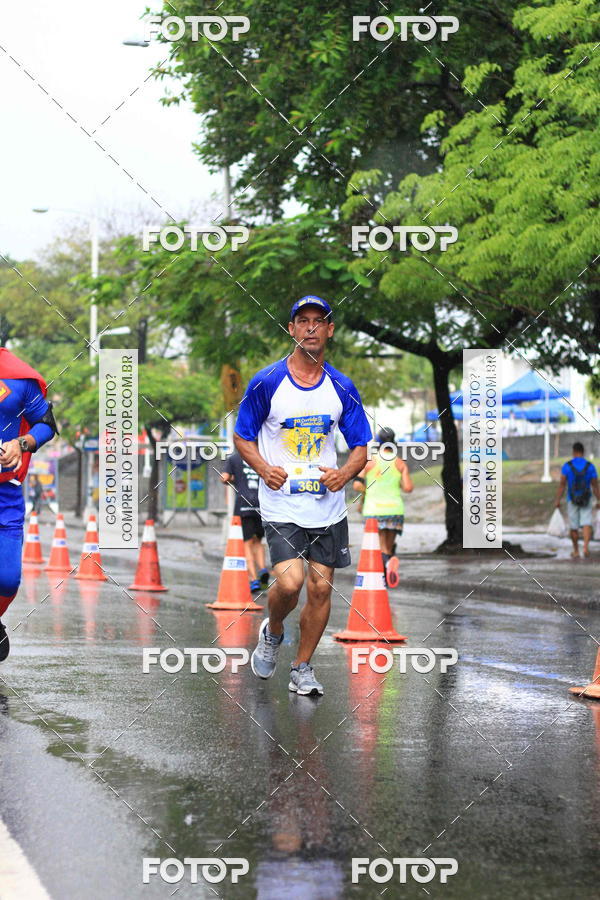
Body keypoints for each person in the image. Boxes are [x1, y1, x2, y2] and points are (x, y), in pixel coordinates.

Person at [234, 295, 371, 696]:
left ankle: (302, 667)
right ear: (291, 329)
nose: (311, 327)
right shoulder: (267, 382)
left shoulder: (341, 387)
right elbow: (243, 436)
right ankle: (273, 630)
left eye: (319, 321)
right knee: (291, 583)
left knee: (323, 588)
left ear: (329, 330)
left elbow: (360, 444)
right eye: (303, 321)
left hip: (326, 507)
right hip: (281, 504)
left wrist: (344, 474)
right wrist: (263, 469)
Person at [0, 348, 58, 661]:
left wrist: (21, 444)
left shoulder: (18, 377)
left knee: (8, 578)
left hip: (5, 495)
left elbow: (46, 424)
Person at [352, 427, 413, 587]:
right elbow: (408, 488)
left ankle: (384, 574)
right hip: (395, 509)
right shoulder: (400, 463)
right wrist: (396, 481)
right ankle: (388, 567)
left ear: (378, 442)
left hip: (374, 509)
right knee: (388, 545)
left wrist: (368, 491)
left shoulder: (370, 461)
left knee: (379, 546)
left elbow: (357, 485)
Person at [221, 450, 269, 592]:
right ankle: (263, 570)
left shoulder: (234, 458)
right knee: (258, 542)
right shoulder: (260, 456)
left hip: (244, 505)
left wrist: (234, 479)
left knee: (247, 543)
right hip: (261, 505)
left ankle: (254, 580)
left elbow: (224, 478)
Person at [554, 441, 600, 559]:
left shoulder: (567, 466)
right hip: (587, 498)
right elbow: (595, 486)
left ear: (573, 452)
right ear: (583, 452)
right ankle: (585, 547)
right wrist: (599, 499)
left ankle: (576, 550)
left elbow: (562, 485)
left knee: (573, 526)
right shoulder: (590, 466)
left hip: (572, 499)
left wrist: (558, 500)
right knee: (586, 523)